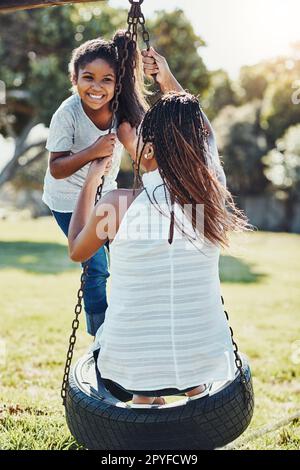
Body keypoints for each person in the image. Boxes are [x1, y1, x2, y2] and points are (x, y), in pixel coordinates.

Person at [67, 50, 249, 406]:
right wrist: (167, 79)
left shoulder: (118, 205)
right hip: (205, 359)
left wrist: (91, 181)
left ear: (146, 152)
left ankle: (144, 397)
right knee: (184, 351)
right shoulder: (210, 198)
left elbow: (76, 250)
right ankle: (191, 391)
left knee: (139, 359)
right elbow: (205, 135)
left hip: (126, 363)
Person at [42, 30, 148, 336]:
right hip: (67, 201)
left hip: (106, 196)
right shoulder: (68, 114)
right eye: (88, 77)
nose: (97, 87)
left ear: (117, 83)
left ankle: (129, 325)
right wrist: (92, 152)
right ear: (74, 79)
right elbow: (57, 168)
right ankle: (99, 334)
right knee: (96, 266)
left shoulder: (121, 109)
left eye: (107, 80)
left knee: (128, 254)